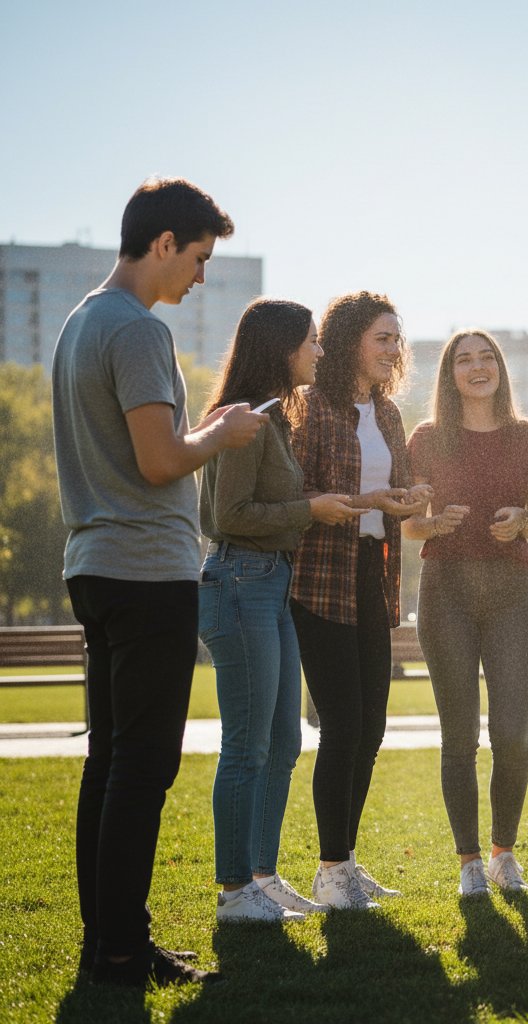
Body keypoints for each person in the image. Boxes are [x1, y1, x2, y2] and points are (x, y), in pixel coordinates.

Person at [51, 178, 267, 986]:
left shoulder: (80, 323)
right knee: (142, 767)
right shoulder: (136, 331)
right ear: (166, 242)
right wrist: (224, 431)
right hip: (145, 572)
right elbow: (159, 459)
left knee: (109, 763)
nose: (202, 277)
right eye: (201, 258)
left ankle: (107, 943)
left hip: (95, 566)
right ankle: (119, 949)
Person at [199, 298, 367, 923]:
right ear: (282, 347)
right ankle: (234, 888)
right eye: (312, 341)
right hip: (240, 581)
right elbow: (224, 517)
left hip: (272, 583)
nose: (320, 352)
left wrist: (324, 505)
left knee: (285, 739)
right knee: (247, 744)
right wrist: (310, 510)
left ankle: (263, 878)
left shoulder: (272, 419)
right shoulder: (243, 420)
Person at [290, 291, 431, 910]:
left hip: (373, 577)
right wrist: (376, 503)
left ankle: (344, 862)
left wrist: (415, 498)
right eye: (383, 338)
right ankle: (329, 868)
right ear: (349, 341)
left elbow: (391, 490)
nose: (393, 349)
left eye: (397, 339)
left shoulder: (388, 413)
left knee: (371, 725)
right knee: (342, 725)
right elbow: (303, 496)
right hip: (321, 579)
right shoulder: (312, 408)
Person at [403, 330, 528, 897]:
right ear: (450, 375)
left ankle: (503, 853)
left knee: (512, 734)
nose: (477, 367)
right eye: (464, 360)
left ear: (500, 369)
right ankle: (469, 861)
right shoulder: (427, 439)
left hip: (512, 591)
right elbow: (410, 521)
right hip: (447, 593)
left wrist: (522, 519)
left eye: (487, 357)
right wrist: (432, 525)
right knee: (458, 736)